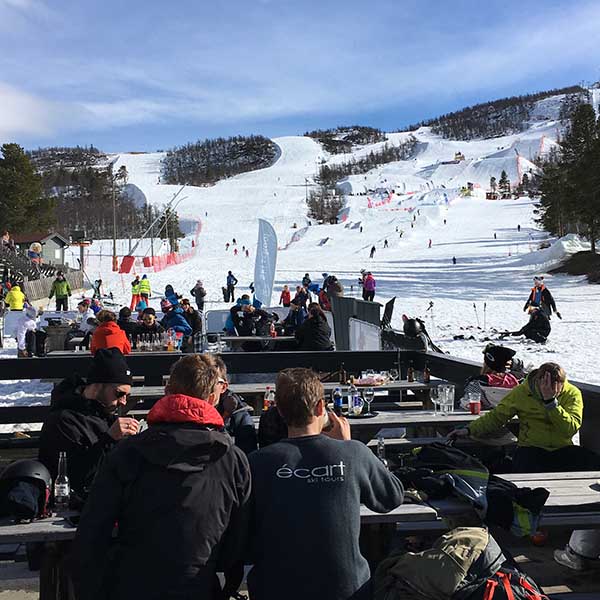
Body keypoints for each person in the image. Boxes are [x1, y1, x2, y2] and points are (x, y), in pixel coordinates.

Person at [71, 354, 251, 600]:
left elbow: (92, 532)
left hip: (133, 584)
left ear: (167, 390)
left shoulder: (128, 453)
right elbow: (238, 540)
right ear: (212, 399)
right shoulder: (232, 460)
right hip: (199, 583)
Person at [247, 368, 404, 600]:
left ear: (279, 411)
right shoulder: (352, 453)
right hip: (345, 589)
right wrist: (347, 446)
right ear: (321, 408)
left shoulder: (257, 462)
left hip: (276, 587)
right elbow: (392, 497)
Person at [449, 362, 600, 473]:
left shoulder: (572, 393)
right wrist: (469, 430)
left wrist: (551, 404)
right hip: (531, 448)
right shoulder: (522, 392)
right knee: (525, 465)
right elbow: (497, 417)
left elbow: (570, 429)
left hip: (561, 448)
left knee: (590, 461)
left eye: (556, 391)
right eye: (546, 388)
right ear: (538, 381)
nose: (551, 391)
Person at [38, 348, 137, 501]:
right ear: (97, 386)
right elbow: (76, 477)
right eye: (119, 393)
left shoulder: (102, 412)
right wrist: (109, 439)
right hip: (69, 505)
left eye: (127, 396)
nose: (123, 401)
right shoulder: (63, 419)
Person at [214, 356, 257, 455]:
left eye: (211, 383)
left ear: (223, 386)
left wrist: (226, 415)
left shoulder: (239, 414)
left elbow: (246, 457)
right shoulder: (189, 407)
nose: (204, 388)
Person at [459, 344, 520, 410]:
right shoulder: (514, 381)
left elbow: (468, 404)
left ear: (486, 364)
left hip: (486, 418)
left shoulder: (477, 383)